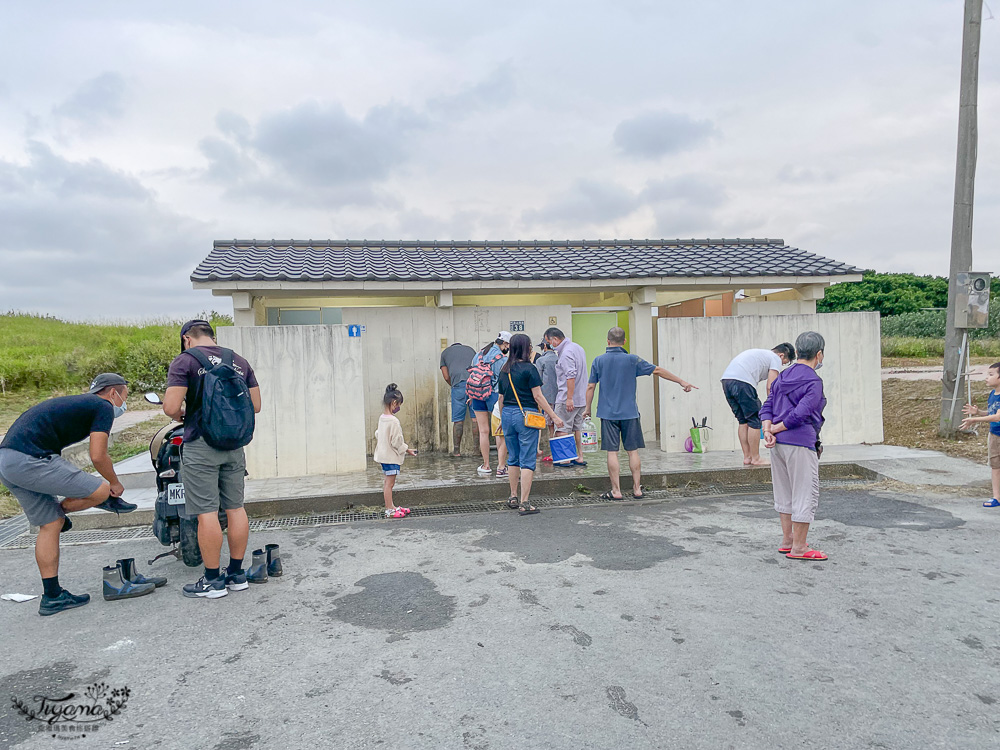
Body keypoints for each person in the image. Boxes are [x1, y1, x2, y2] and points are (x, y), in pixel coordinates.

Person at [0, 373, 135, 616]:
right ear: (113, 393)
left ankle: (52, 596)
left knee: (50, 523)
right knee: (101, 489)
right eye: (126, 395)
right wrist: (115, 483)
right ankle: (79, 506)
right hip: (32, 458)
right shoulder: (102, 406)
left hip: (7, 461)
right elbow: (98, 455)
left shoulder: (81, 404)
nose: (126, 401)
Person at [164, 319, 262, 599]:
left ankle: (211, 581)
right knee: (235, 508)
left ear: (187, 338)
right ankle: (236, 574)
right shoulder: (238, 360)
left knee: (206, 512)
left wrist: (181, 414)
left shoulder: (185, 361)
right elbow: (255, 405)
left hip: (201, 444)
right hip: (234, 444)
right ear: (212, 337)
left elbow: (171, 406)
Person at [584, 327, 696, 500]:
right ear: (624, 341)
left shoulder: (599, 361)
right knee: (632, 451)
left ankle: (616, 491)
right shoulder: (632, 360)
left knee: (612, 452)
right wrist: (681, 381)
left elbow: (591, 386)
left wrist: (587, 409)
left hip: (607, 414)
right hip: (630, 413)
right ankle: (637, 489)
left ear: (607, 341)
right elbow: (657, 370)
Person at [760, 331, 828, 561]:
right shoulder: (813, 381)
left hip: (777, 445)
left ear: (797, 352)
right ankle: (799, 547)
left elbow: (767, 403)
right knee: (804, 493)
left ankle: (787, 540)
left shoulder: (782, 376)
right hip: (800, 442)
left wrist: (768, 430)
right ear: (818, 355)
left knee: (784, 491)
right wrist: (778, 428)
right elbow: (802, 412)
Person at [497, 334, 563, 515]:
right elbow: (538, 396)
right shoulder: (530, 369)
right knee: (527, 459)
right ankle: (525, 503)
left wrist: (502, 420)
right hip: (526, 416)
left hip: (508, 415)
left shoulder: (504, 369)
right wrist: (554, 417)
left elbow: (501, 398)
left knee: (513, 458)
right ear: (526, 348)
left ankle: (512, 496)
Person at [721, 343, 796, 466]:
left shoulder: (761, 354)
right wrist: (772, 407)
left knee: (743, 421)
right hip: (743, 382)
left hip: (726, 381)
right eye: (785, 362)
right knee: (755, 420)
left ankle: (747, 457)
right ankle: (756, 458)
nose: (782, 365)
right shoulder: (775, 358)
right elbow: (770, 386)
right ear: (781, 355)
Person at [543, 327, 589, 467]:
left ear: (555, 340)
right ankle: (579, 456)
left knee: (562, 428)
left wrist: (569, 398)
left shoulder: (566, 353)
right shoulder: (577, 348)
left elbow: (570, 376)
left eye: (549, 341)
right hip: (581, 398)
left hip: (567, 399)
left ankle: (565, 458)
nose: (549, 345)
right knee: (576, 428)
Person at [468, 332, 510, 477]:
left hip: (477, 395)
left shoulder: (478, 355)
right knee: (500, 430)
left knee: (483, 431)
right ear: (505, 344)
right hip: (494, 395)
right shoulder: (502, 358)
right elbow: (504, 380)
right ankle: (501, 466)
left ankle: (486, 465)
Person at [374, 383, 418, 518]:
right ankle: (389, 510)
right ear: (394, 403)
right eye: (398, 405)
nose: (398, 408)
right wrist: (407, 449)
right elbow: (397, 441)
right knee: (389, 483)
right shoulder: (393, 421)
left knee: (387, 482)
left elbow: (378, 434)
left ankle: (391, 506)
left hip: (383, 455)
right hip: (391, 457)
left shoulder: (382, 418)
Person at [960, 362, 1000, 507]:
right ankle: (997, 497)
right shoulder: (992, 394)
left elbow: (997, 417)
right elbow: (992, 413)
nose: (986, 378)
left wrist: (974, 419)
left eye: (991, 375)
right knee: (995, 466)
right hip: (995, 435)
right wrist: (978, 412)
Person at [440, 342, 477, 457]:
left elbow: (446, 376)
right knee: (476, 419)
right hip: (474, 385)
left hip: (458, 386)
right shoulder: (471, 350)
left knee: (458, 420)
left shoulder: (445, 353)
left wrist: (454, 385)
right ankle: (477, 451)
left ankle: (456, 451)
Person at [534, 339, 559, 460]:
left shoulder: (541, 361)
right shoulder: (559, 358)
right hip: (561, 397)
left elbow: (537, 380)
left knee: (551, 427)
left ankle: (554, 453)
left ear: (544, 346)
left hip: (547, 398)